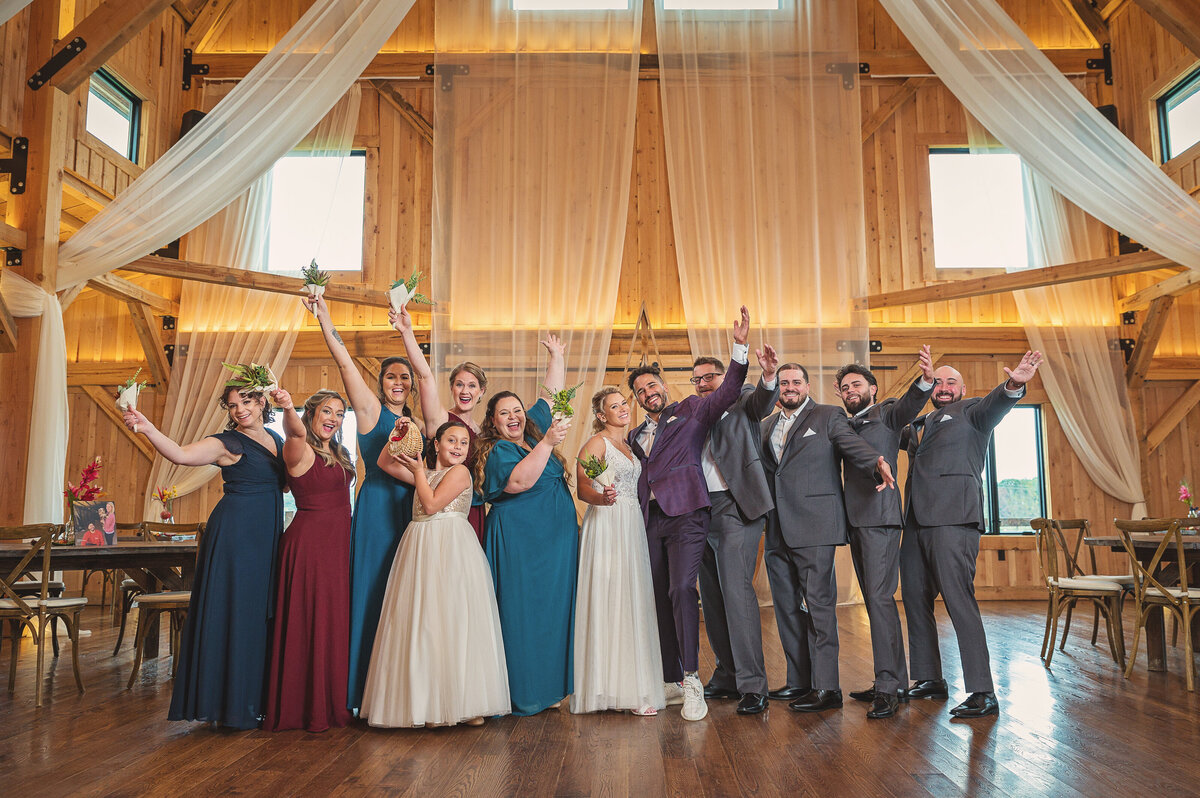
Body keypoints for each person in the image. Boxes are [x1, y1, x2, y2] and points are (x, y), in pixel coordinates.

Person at [123, 378, 286, 729]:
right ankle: (229, 705)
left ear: (261, 402)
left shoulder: (276, 439)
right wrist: (148, 428)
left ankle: (255, 699)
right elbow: (181, 454)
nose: (240, 409)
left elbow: (287, 481)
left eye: (246, 401)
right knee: (237, 611)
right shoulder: (225, 442)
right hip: (236, 536)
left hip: (266, 534)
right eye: (232, 405)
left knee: (259, 613)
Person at [899, 351, 1043, 719]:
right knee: (915, 600)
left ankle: (983, 691)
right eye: (939, 382)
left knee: (959, 602)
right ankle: (930, 678)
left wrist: (1015, 384)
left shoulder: (974, 413)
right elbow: (887, 424)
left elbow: (999, 402)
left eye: (951, 383)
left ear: (963, 390)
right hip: (914, 522)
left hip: (953, 521)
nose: (944, 388)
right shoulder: (921, 422)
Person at [627, 305, 752, 722]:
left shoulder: (692, 411)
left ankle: (693, 676)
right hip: (651, 520)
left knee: (683, 589)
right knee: (659, 596)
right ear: (638, 400)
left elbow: (729, 391)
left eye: (653, 385)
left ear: (664, 386)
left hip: (688, 515)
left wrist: (739, 349)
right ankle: (670, 679)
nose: (649, 393)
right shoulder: (634, 434)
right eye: (641, 391)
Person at [302, 293, 419, 713]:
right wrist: (325, 318)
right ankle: (363, 692)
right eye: (391, 377)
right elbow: (345, 362)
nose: (399, 383)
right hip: (378, 510)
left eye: (405, 377)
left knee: (407, 594)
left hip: (414, 509)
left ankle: (401, 688)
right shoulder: (371, 412)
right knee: (374, 590)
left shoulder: (419, 422)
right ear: (381, 382)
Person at [760, 363, 895, 715]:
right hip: (776, 527)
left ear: (807, 386)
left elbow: (852, 445)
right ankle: (799, 680)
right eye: (784, 382)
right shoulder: (766, 426)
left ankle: (826, 687)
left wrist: (876, 462)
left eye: (796, 382)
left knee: (819, 608)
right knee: (786, 608)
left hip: (816, 526)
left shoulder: (828, 416)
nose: (789, 387)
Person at [361, 420, 510, 728]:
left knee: (451, 620)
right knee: (425, 620)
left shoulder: (460, 473)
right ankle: (429, 702)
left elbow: (430, 504)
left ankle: (462, 703)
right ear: (437, 444)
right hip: (420, 545)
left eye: (464, 443)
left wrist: (417, 473)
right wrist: (399, 434)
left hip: (450, 547)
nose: (458, 446)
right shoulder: (426, 473)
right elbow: (383, 461)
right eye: (451, 440)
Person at [475, 336, 578, 716]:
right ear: (493, 421)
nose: (514, 417)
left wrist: (557, 356)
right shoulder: (498, 450)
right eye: (505, 413)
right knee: (522, 612)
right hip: (522, 544)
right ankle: (522, 691)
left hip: (555, 544)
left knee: (553, 612)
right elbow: (519, 482)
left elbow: (550, 396)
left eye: (517, 410)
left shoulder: (533, 432)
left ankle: (549, 688)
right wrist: (549, 442)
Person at [836, 347, 933, 720]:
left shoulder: (887, 414)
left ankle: (890, 687)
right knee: (874, 602)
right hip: (856, 523)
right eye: (843, 387)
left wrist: (924, 380)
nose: (850, 391)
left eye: (856, 384)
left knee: (879, 601)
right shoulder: (844, 424)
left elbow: (910, 404)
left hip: (880, 520)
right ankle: (891, 681)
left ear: (873, 388)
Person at [692, 348, 779, 716]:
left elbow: (763, 399)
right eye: (696, 379)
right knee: (711, 598)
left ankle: (752, 684)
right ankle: (726, 674)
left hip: (735, 506)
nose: (702, 384)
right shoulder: (692, 412)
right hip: (698, 511)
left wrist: (769, 376)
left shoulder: (743, 402)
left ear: (723, 377)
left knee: (736, 592)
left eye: (708, 377)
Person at [263, 389, 355, 733]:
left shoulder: (339, 452)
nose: (333, 418)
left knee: (331, 623)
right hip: (310, 548)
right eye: (327, 411)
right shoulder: (298, 446)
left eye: (340, 413)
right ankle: (306, 708)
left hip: (337, 546)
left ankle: (331, 702)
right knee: (310, 622)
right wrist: (288, 407)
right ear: (312, 414)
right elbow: (295, 432)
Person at [571, 387, 665, 717]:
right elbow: (583, 486)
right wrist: (603, 499)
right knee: (609, 596)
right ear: (601, 416)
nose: (623, 409)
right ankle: (605, 688)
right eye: (614, 406)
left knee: (632, 598)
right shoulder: (597, 443)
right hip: (608, 523)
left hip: (631, 524)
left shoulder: (630, 445)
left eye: (624, 403)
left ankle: (632, 684)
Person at [390, 303, 489, 543]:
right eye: (459, 384)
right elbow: (424, 376)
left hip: (471, 511)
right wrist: (406, 332)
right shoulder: (440, 420)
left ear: (482, 392)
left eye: (472, 385)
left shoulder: (484, 432)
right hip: (436, 514)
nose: (465, 391)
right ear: (452, 388)